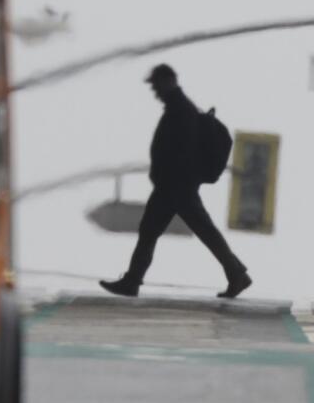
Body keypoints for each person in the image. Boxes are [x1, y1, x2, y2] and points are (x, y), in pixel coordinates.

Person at [99, 64, 252, 299]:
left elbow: (180, 152)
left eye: (156, 84)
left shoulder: (182, 110)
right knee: (166, 232)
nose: (155, 91)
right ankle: (235, 273)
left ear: (168, 81)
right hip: (174, 185)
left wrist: (167, 178)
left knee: (184, 232)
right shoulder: (178, 107)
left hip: (175, 186)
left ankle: (236, 273)